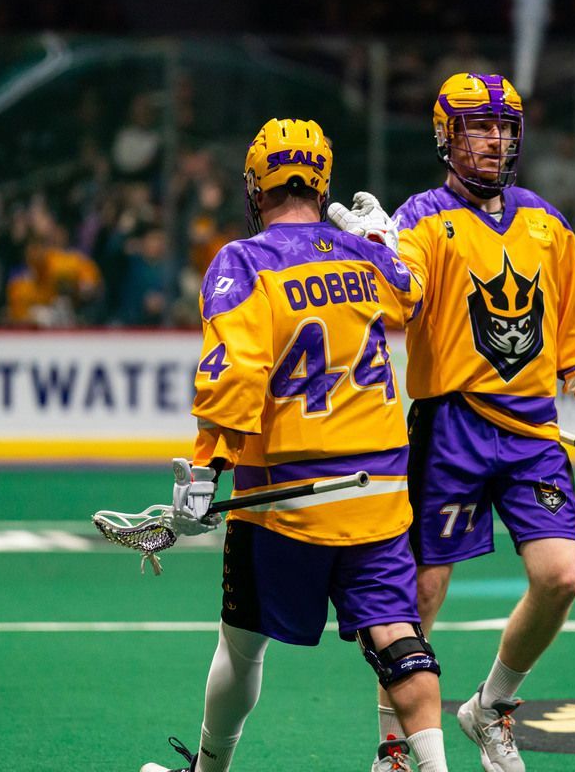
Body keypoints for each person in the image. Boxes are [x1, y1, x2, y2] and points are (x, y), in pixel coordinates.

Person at [332, 73, 575, 772]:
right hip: (451, 429)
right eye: (479, 127)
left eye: (504, 127)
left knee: (561, 578)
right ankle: (394, 748)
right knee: (421, 593)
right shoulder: (421, 219)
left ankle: (489, 707)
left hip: (532, 435)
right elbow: (398, 303)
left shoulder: (547, 225)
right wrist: (378, 248)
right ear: (446, 137)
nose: (495, 140)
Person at [140, 118, 449, 772]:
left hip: (283, 502)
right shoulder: (363, 255)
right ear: (322, 184)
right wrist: (386, 243)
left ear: (257, 188)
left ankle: (209, 770)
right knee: (399, 641)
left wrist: (205, 472)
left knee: (241, 646)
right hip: (379, 496)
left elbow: (237, 375)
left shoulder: (244, 261)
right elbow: (413, 296)